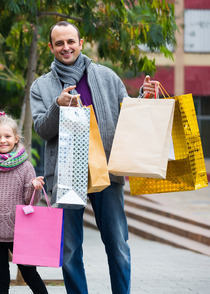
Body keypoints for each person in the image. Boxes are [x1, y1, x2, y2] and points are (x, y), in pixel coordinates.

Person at [30, 21, 153, 294]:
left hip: (107, 170)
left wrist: (145, 98)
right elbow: (41, 128)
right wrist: (56, 106)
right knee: (70, 250)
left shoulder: (107, 77)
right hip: (64, 175)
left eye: (70, 41)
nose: (66, 47)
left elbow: (129, 117)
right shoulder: (41, 86)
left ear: (80, 42)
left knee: (118, 244)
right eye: (59, 43)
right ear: (50, 47)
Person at [0, 112, 47, 294]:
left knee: (30, 274)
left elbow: (30, 200)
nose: (3, 141)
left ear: (16, 139)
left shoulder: (25, 166)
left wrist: (34, 187)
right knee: (0, 279)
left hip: (19, 231)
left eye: (7, 136)